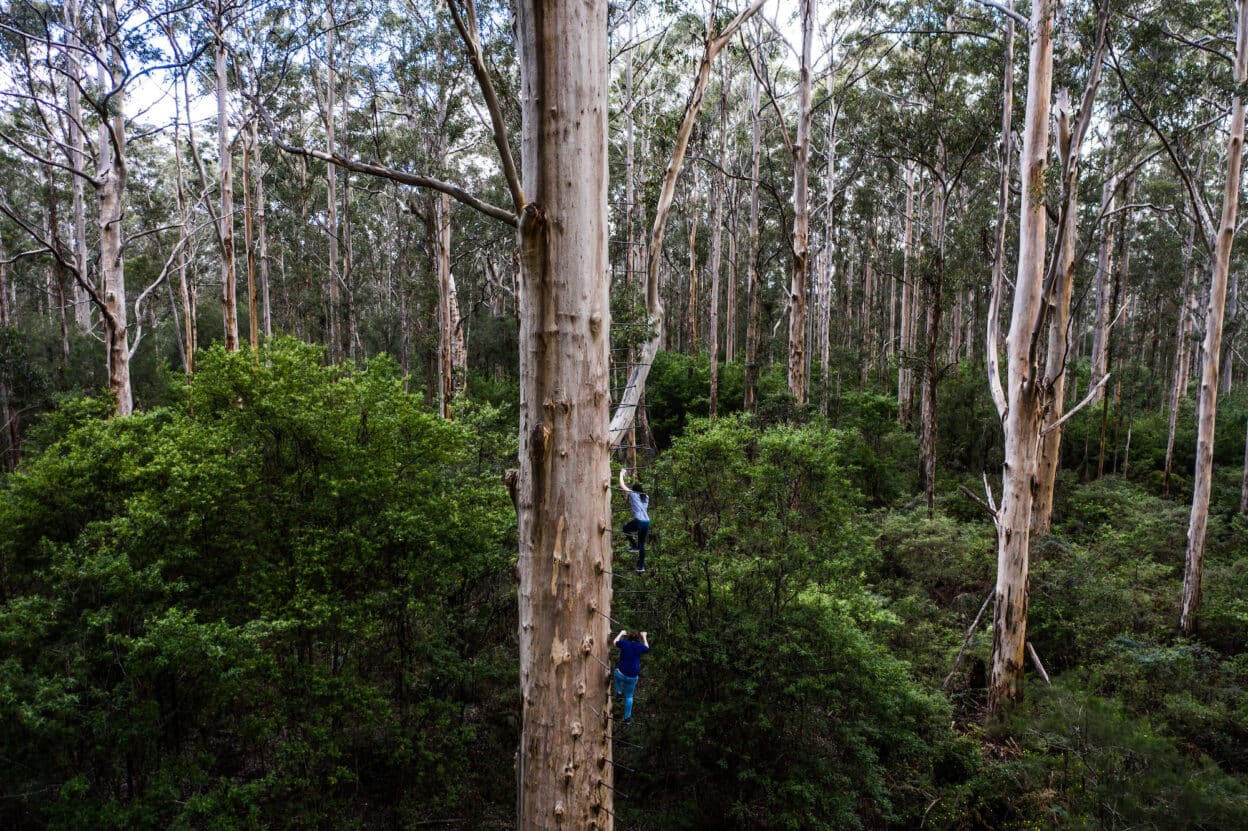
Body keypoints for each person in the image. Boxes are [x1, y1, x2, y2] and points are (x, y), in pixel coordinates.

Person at [612, 629, 650, 723]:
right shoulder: (640, 646)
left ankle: (619, 692)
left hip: (621, 673)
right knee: (629, 697)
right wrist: (644, 636)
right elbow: (647, 648)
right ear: (638, 639)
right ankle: (627, 718)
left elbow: (615, 642)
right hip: (632, 676)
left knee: (616, 675)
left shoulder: (625, 643)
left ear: (629, 637)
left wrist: (621, 633)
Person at [618, 467, 650, 572]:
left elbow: (622, 486)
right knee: (642, 545)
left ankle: (633, 545)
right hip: (646, 523)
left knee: (625, 528)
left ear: (634, 489)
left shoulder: (634, 494)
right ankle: (641, 567)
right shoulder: (646, 497)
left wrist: (621, 474)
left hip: (639, 521)